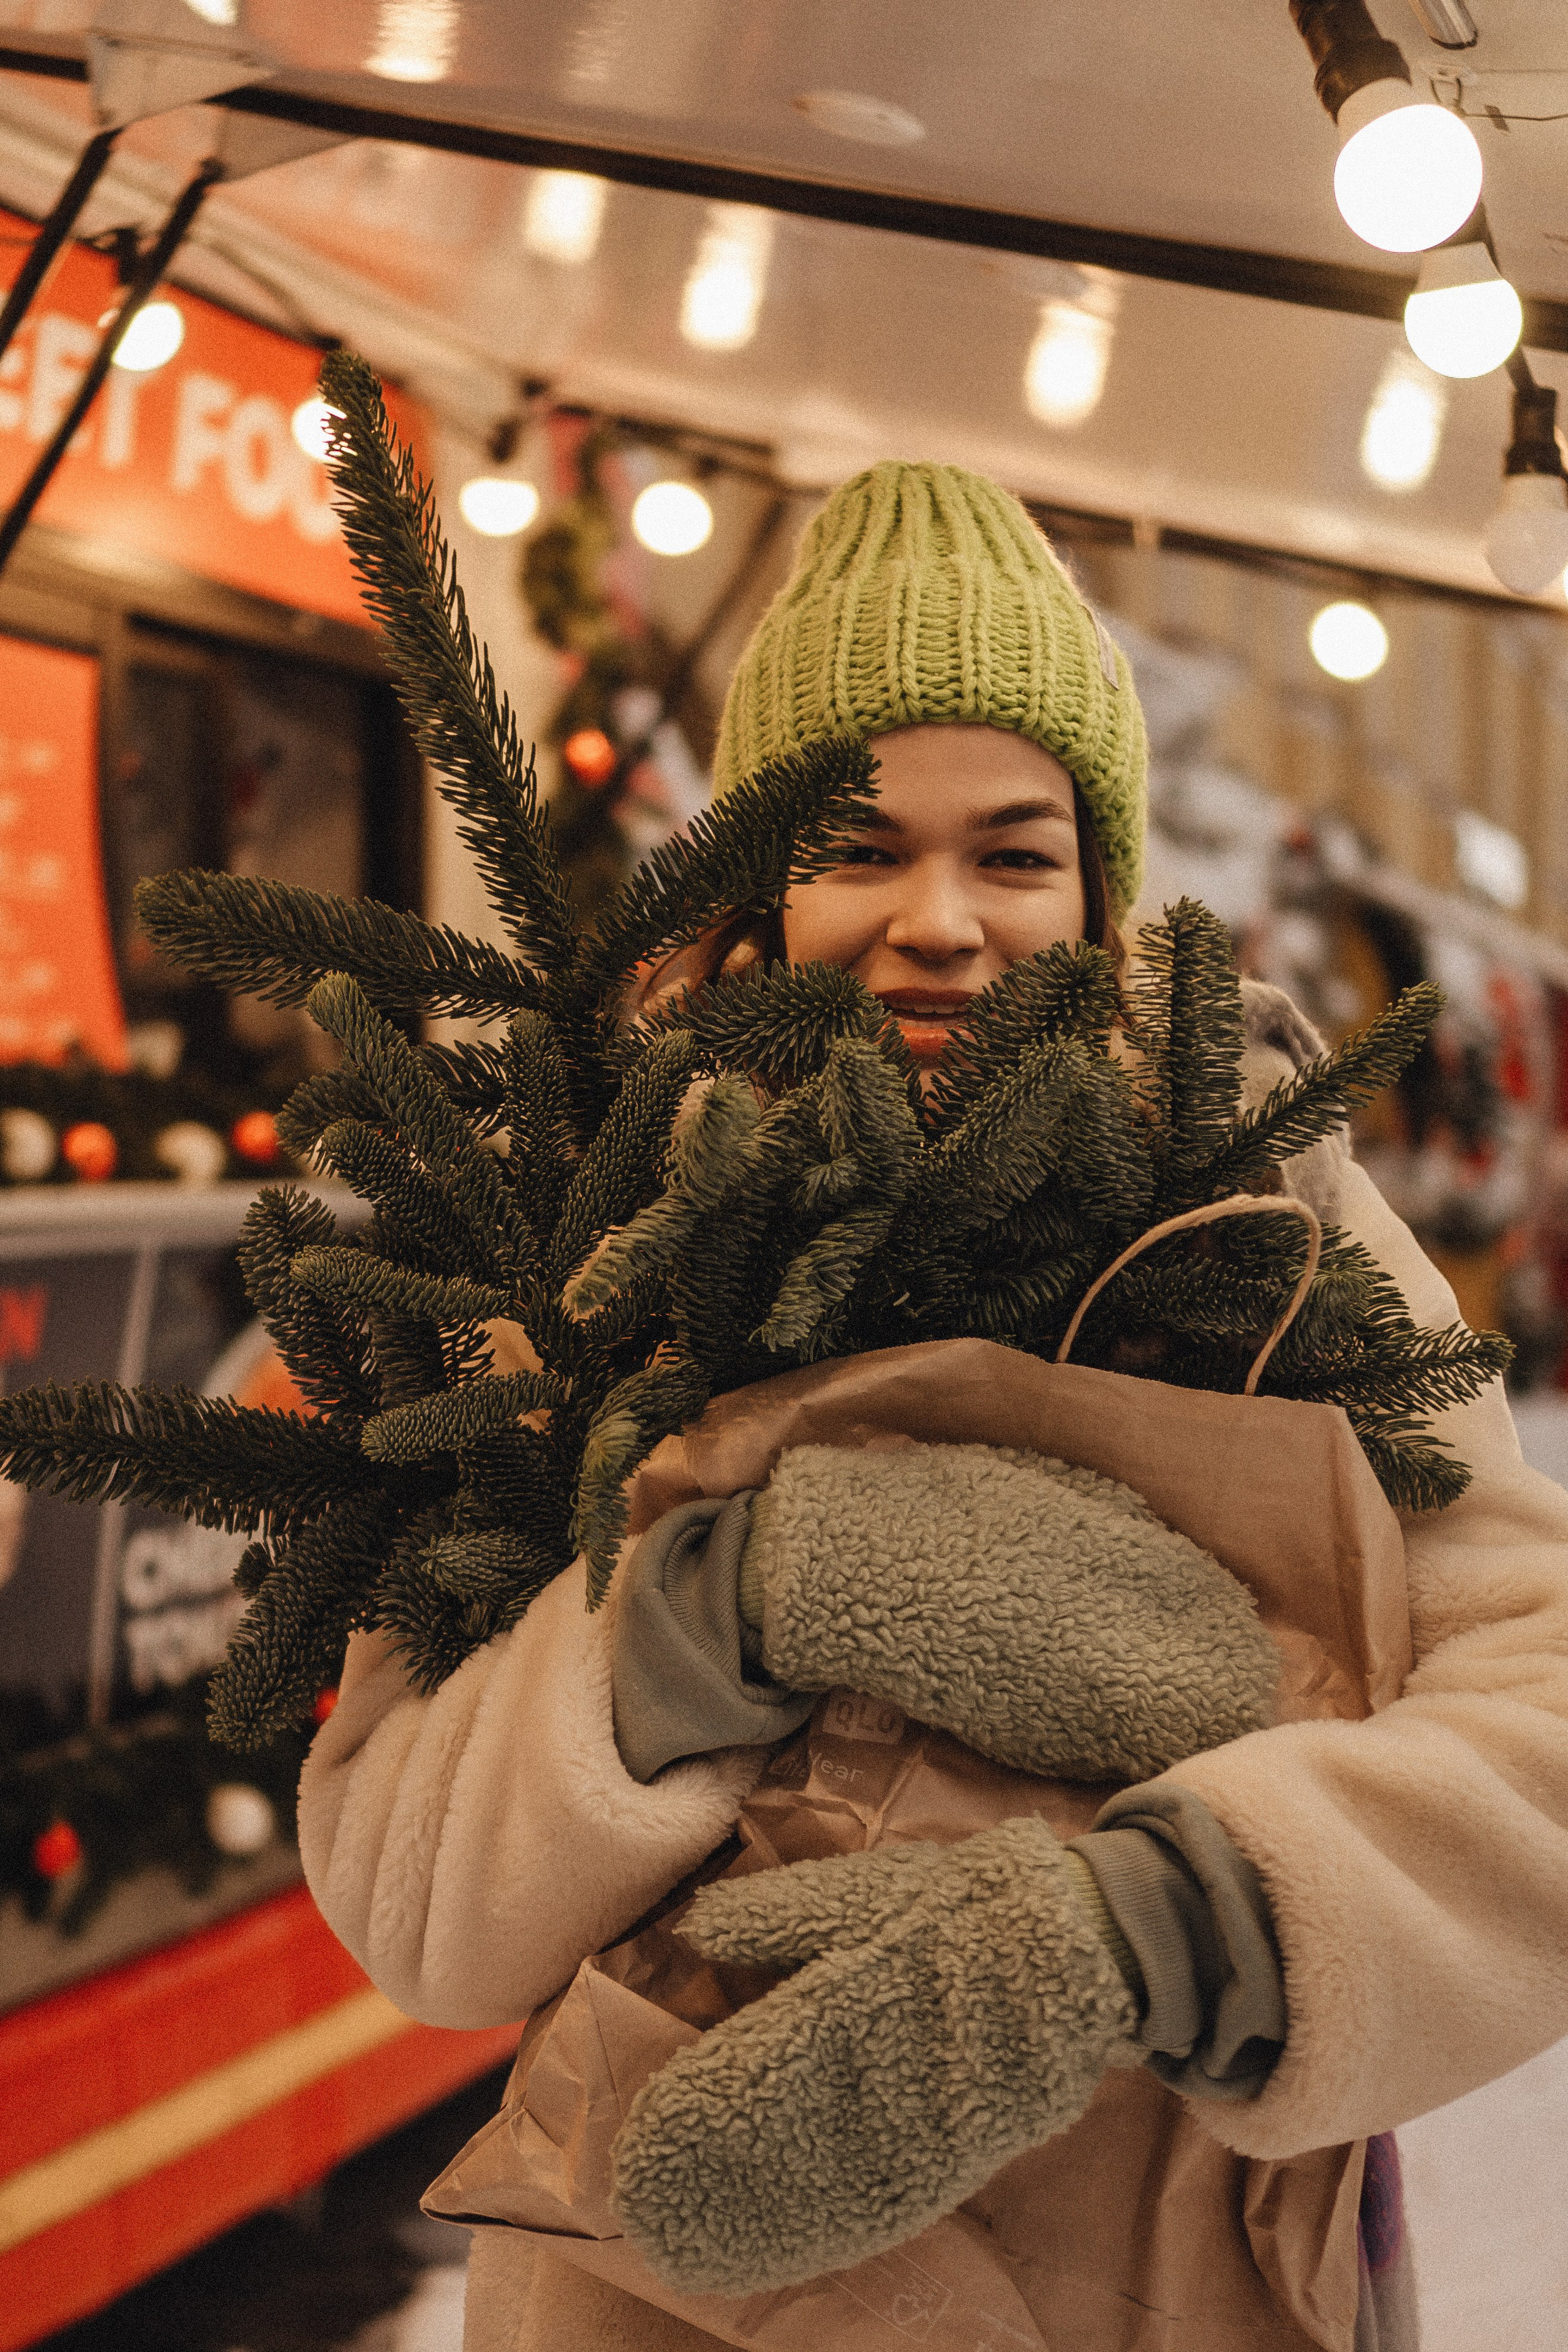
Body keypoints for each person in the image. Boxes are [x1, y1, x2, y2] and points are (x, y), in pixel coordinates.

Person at [300, 464, 1568, 2352]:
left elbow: (1541, 1721)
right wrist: (712, 1613)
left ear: (1102, 879)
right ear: (754, 880)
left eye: (1015, 850)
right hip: (670, 2292)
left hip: (1165, 2283)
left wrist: (1152, 1931)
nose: (942, 921)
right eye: (857, 847)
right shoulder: (591, 1239)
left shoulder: (1262, 1220)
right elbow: (407, 1893)